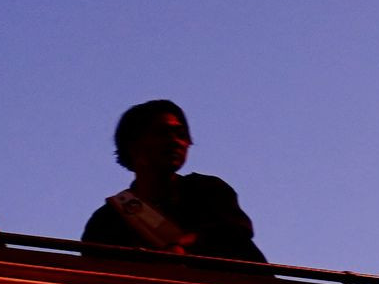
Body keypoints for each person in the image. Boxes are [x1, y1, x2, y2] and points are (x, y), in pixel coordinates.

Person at [79, 100, 264, 262]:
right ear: (133, 145)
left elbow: (235, 233)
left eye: (181, 134)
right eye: (163, 133)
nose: (176, 141)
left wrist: (182, 244)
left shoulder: (208, 190)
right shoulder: (107, 221)